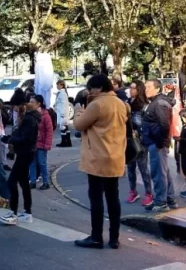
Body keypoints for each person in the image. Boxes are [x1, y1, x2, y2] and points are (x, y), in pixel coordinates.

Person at [73, 74, 128, 250]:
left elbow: (79, 125)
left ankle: (96, 237)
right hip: (116, 156)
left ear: (98, 88)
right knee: (113, 198)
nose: (90, 92)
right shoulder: (121, 104)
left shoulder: (97, 104)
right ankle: (114, 238)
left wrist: (78, 111)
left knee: (96, 198)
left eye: (91, 89)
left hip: (97, 157)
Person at [0, 94, 39, 225]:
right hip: (27, 152)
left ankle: (13, 213)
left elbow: (26, 138)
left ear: (18, 106)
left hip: (25, 153)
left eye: (13, 106)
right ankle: (27, 213)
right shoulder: (28, 117)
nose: (13, 109)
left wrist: (10, 139)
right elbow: (22, 136)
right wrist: (9, 138)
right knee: (23, 183)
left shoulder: (28, 119)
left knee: (12, 182)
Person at [141, 79, 177, 213]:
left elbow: (164, 125)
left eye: (149, 87)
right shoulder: (154, 103)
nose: (146, 90)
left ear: (157, 89)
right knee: (163, 172)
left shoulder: (159, 103)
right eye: (145, 88)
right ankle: (169, 199)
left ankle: (161, 202)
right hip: (154, 142)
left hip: (157, 143)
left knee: (158, 173)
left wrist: (160, 142)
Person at [125, 80, 153, 206]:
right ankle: (133, 191)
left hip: (140, 140)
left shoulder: (144, 105)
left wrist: (138, 130)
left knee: (143, 167)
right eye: (130, 88)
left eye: (134, 88)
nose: (131, 90)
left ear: (139, 90)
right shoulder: (127, 103)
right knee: (130, 167)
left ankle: (148, 193)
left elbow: (144, 123)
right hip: (128, 139)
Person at [29, 95, 52, 190]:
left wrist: (47, 144)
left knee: (42, 163)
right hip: (32, 143)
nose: (30, 104)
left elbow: (49, 131)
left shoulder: (45, 115)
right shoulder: (30, 114)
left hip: (41, 144)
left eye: (32, 102)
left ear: (39, 104)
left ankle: (46, 182)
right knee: (32, 163)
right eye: (30, 101)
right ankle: (32, 181)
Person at [54, 80, 72, 148]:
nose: (57, 86)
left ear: (62, 85)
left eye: (58, 85)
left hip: (62, 113)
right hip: (62, 113)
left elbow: (64, 104)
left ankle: (64, 142)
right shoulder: (61, 93)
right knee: (65, 127)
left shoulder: (62, 93)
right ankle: (68, 141)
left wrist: (62, 113)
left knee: (63, 127)